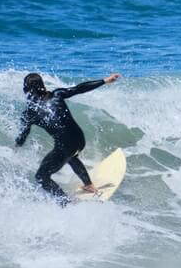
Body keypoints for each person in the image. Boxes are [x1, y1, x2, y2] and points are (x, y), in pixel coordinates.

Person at [15, 72, 120, 201]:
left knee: (41, 176)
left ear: (26, 90)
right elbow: (79, 88)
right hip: (80, 140)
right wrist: (104, 80)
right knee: (71, 155)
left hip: (66, 147)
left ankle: (65, 203)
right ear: (42, 85)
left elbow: (22, 137)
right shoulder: (57, 94)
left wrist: (16, 147)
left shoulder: (28, 113)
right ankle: (89, 185)